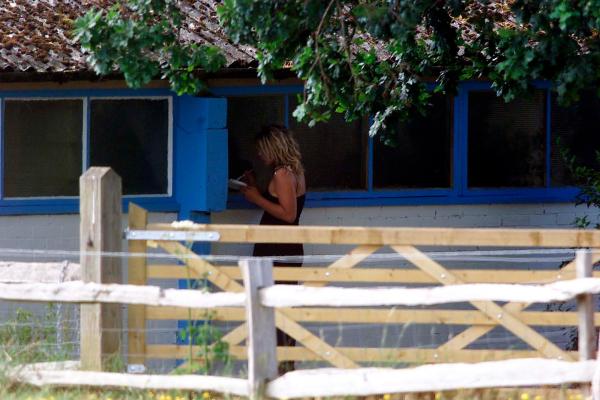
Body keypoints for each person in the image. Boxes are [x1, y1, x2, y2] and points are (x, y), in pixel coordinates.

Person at [240, 124, 306, 374]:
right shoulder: (293, 172)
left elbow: (288, 214)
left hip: (278, 246)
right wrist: (256, 186)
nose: (259, 155)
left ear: (272, 148)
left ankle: (281, 369)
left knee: (274, 307)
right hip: (283, 245)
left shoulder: (282, 174)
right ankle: (282, 367)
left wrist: (256, 198)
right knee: (278, 306)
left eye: (261, 150)